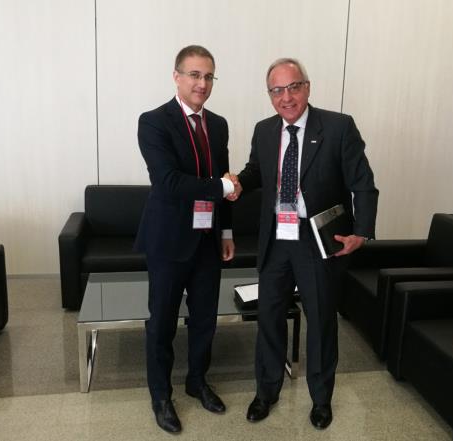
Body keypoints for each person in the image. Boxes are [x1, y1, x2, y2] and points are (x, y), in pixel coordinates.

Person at [227, 58, 378, 429]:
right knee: (269, 317)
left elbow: (363, 183)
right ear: (270, 95)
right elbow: (258, 171)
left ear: (307, 87)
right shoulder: (264, 130)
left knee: (321, 320)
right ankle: (266, 392)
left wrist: (362, 231)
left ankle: (321, 399)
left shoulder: (338, 127)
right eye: (277, 90)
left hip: (316, 239)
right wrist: (240, 182)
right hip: (276, 237)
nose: (287, 97)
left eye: (294, 87)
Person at [135, 45, 237, 434]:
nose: (202, 83)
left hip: (208, 239)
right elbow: (168, 182)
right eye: (194, 74)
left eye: (208, 76)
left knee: (205, 319)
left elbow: (223, 181)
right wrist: (222, 186)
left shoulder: (219, 124)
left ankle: (197, 381)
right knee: (161, 322)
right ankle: (161, 395)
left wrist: (226, 231)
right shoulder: (153, 122)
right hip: (168, 241)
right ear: (176, 77)